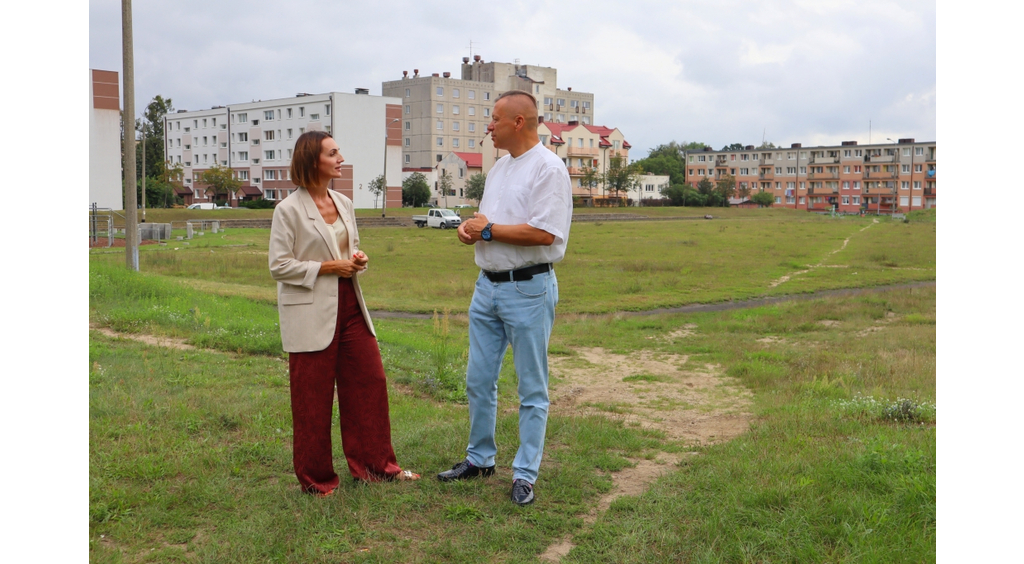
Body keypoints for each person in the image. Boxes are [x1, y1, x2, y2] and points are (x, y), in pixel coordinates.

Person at [440, 90, 572, 506]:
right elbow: (487, 224)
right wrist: (470, 231)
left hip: (528, 288)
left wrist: (488, 230)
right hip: (488, 286)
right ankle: (480, 459)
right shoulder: (498, 169)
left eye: (494, 119)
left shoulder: (549, 169)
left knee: (531, 387)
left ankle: (525, 474)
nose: (488, 126)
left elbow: (544, 233)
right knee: (479, 380)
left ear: (519, 122)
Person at [269, 130, 418, 496]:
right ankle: (317, 481)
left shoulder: (344, 202)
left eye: (339, 152)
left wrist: (357, 260)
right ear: (312, 160)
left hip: (351, 306)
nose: (341, 158)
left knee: (370, 383)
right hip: (310, 311)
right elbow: (279, 265)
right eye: (333, 153)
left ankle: (376, 467)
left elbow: (350, 251)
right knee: (312, 399)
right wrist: (326, 268)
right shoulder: (287, 210)